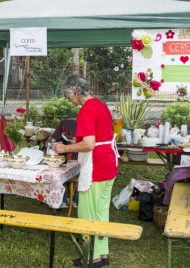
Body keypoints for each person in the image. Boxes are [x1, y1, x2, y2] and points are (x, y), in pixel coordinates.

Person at [52, 75, 118, 268]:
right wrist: (77, 143)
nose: (68, 99)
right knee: (101, 210)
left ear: (74, 91)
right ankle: (102, 253)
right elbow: (97, 136)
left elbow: (89, 144)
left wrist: (63, 149)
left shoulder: (86, 110)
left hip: (96, 166)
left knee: (87, 212)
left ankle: (92, 258)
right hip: (110, 163)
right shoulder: (100, 104)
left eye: (67, 95)